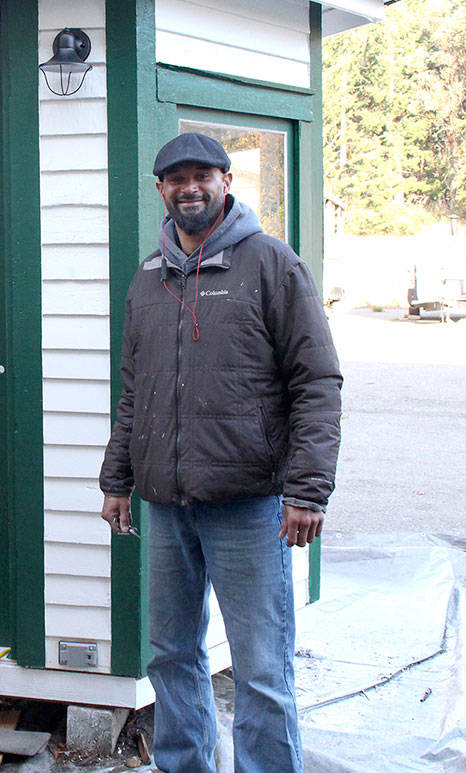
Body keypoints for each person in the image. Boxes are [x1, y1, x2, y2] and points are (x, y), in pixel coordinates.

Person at [98, 133, 341, 773]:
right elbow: (134, 389)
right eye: (176, 178)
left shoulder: (271, 264)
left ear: (226, 182)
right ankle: (183, 765)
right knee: (170, 655)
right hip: (167, 508)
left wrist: (306, 491)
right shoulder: (148, 279)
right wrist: (117, 480)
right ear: (161, 190)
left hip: (251, 507)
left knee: (261, 665)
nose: (190, 187)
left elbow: (317, 382)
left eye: (203, 175)